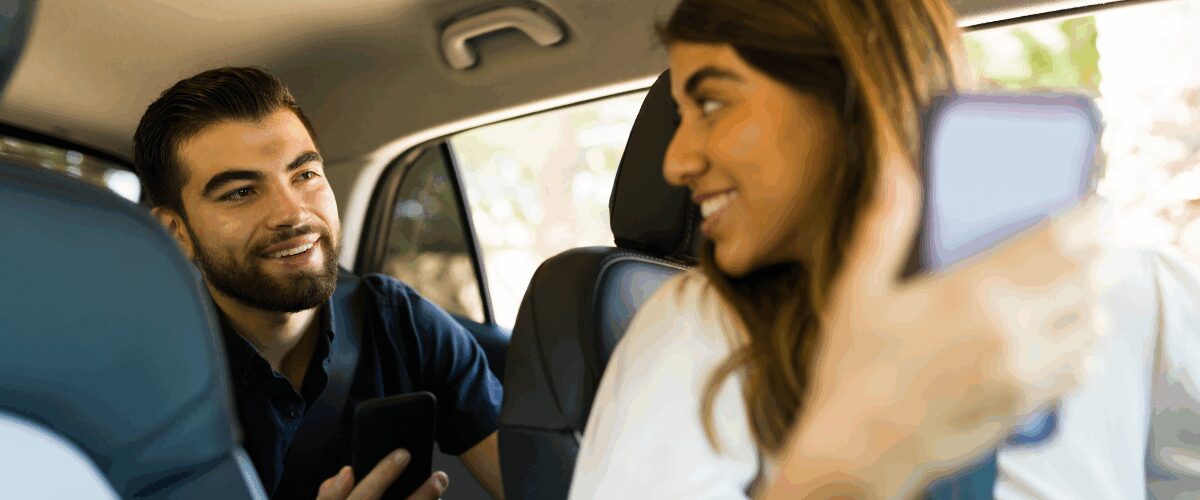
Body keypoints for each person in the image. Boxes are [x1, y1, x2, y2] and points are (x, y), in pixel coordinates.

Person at [571, 0, 1200, 498]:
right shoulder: (694, 326)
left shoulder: (1132, 288)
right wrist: (854, 454)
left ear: (848, 92)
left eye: (711, 102)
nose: (676, 161)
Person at [133, 67, 504, 499]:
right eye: (240, 192)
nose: (292, 214)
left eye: (305, 175)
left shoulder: (399, 322)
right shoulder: (141, 382)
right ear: (175, 232)